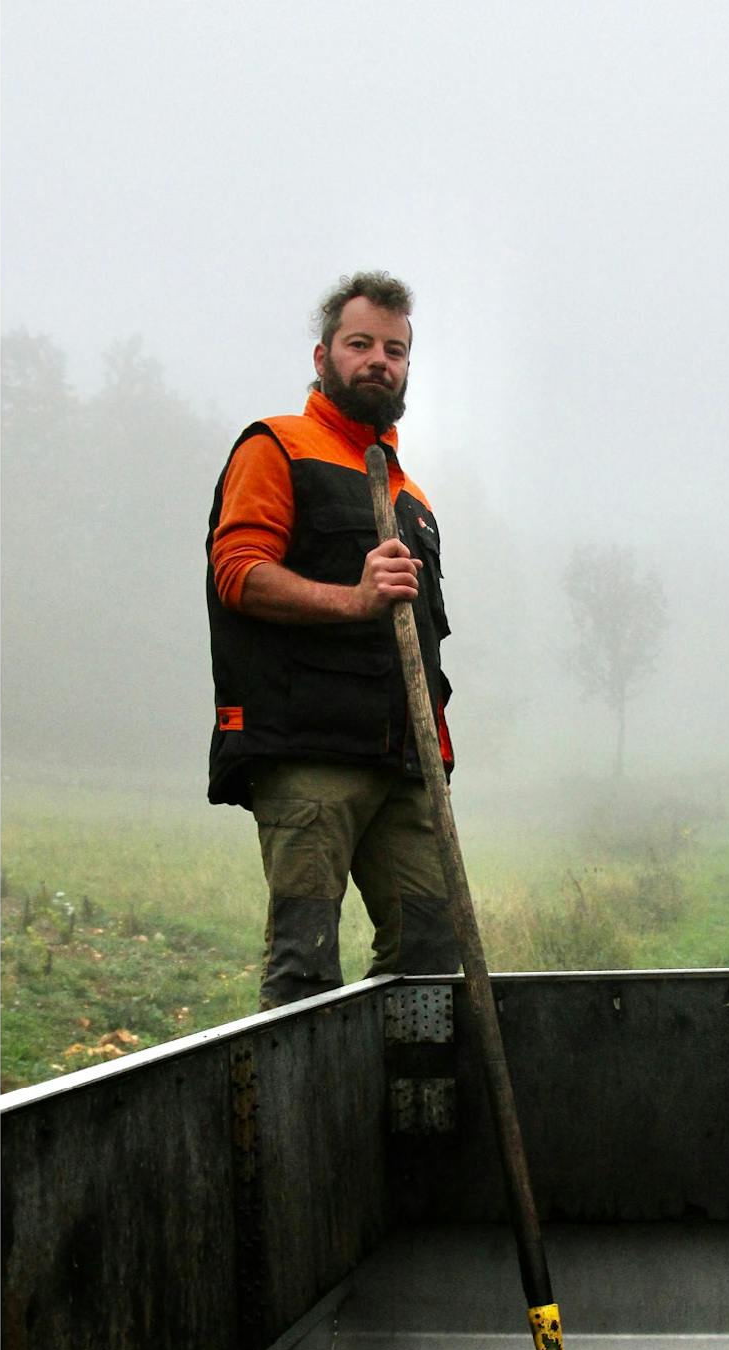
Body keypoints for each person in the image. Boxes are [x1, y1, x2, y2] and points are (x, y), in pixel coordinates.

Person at [203, 270, 463, 1009]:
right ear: (323, 358)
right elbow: (239, 571)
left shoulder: (411, 496)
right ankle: (304, 1124)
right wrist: (353, 599)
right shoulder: (276, 447)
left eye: (395, 349)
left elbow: (422, 642)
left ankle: (396, 1115)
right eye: (360, 344)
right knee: (306, 965)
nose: (379, 360)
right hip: (309, 750)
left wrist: (435, 756)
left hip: (405, 762)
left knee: (430, 954)